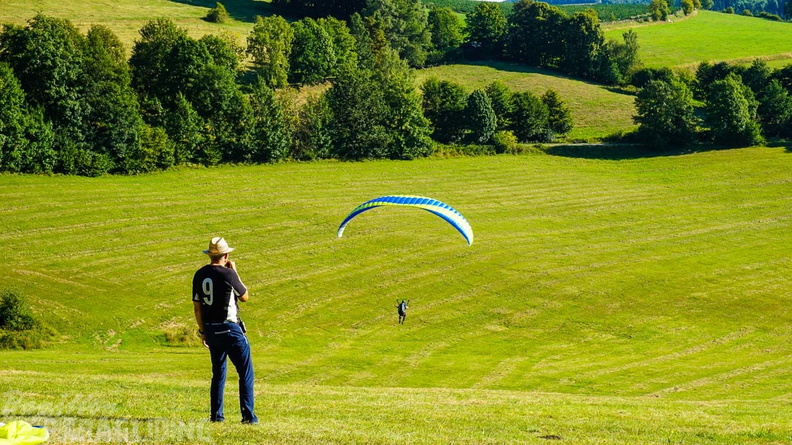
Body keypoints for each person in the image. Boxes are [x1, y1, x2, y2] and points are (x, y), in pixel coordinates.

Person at [192, 237, 258, 424]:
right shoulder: (228, 274)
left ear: (210, 255)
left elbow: (197, 307)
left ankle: (216, 416)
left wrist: (203, 331)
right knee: (245, 372)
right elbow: (244, 296)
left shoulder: (199, 274)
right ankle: (248, 417)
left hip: (211, 329)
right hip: (230, 328)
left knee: (218, 373)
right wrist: (235, 273)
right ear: (226, 255)